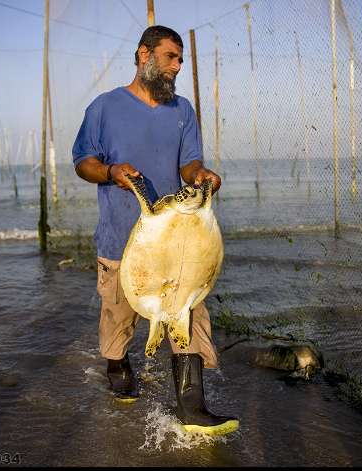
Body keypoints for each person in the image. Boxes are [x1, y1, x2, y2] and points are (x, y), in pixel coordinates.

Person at [72, 26, 239, 436]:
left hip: (176, 240)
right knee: (118, 313)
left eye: (180, 60)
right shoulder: (104, 107)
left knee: (187, 309)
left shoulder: (181, 110)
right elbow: (83, 162)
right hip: (120, 236)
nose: (177, 67)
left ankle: (193, 406)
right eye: (171, 57)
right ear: (144, 55)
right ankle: (117, 363)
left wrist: (200, 175)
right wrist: (110, 172)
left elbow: (189, 164)